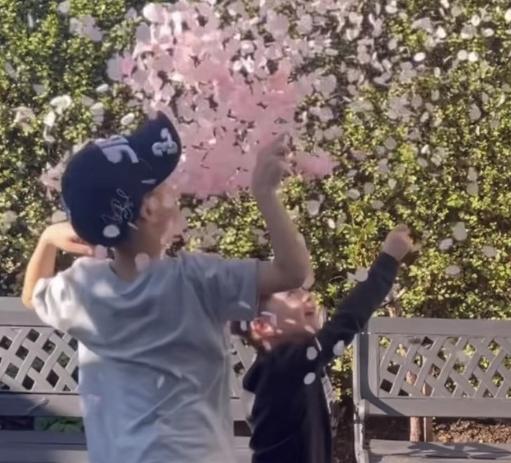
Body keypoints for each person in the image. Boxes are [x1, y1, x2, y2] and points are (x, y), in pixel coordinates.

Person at [20, 112, 311, 463]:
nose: (174, 188)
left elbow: (32, 293)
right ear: (148, 209)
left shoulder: (84, 288)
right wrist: (265, 194)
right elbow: (293, 272)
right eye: (163, 184)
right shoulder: (200, 280)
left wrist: (48, 240)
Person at [234, 225, 415, 463]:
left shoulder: (285, 364)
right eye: (290, 295)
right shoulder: (287, 365)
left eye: (303, 291)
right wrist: (389, 259)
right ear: (264, 327)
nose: (304, 296)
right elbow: (350, 317)